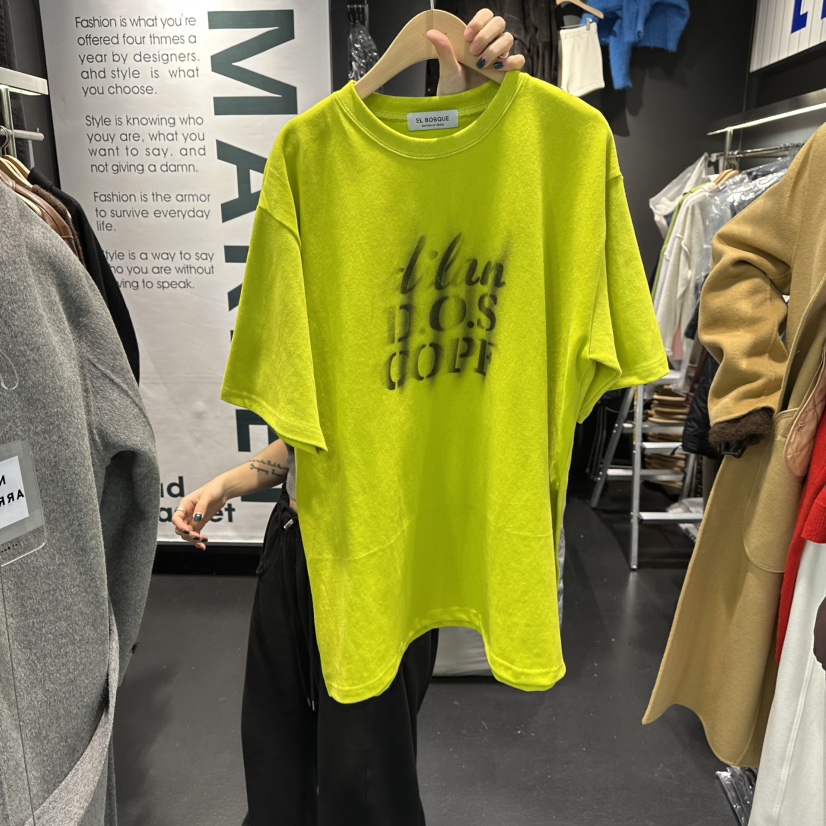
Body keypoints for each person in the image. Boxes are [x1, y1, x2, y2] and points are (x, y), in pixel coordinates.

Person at [172, 10, 524, 826]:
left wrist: (481, 113)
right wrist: (234, 481)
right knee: (277, 758)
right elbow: (316, 427)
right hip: (301, 545)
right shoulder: (314, 177)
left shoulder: (499, 204)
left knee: (368, 779)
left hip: (392, 561)